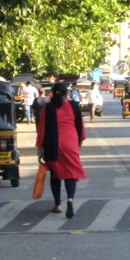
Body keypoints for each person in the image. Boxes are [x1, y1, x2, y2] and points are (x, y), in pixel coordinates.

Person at [36, 81, 86, 217]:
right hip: (70, 142)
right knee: (71, 173)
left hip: (53, 143)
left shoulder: (49, 108)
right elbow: (80, 127)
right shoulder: (74, 106)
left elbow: (42, 129)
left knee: (55, 174)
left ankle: (58, 205)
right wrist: (79, 144)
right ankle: (70, 198)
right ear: (66, 94)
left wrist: (40, 148)